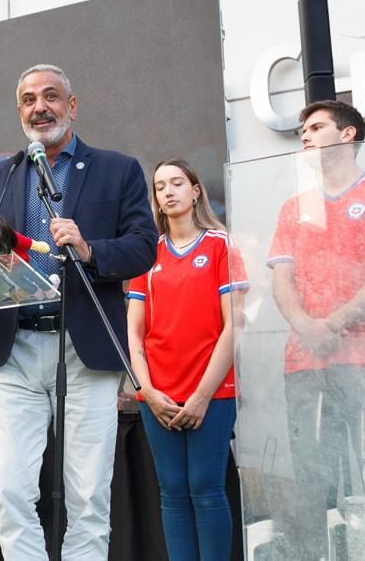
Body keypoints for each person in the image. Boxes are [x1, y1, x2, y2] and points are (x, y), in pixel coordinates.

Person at [0, 64, 157, 559]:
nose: (40, 108)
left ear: (71, 106)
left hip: (85, 349)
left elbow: (144, 248)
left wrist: (90, 249)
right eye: (29, 100)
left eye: (51, 97)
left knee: (88, 497)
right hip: (13, 351)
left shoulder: (117, 170)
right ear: (19, 111)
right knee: (7, 490)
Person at [267, 100, 365, 559]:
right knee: (314, 480)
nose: (306, 136)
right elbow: (280, 280)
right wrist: (307, 326)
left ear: (348, 134)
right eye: (302, 131)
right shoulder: (294, 206)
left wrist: (335, 322)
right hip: (305, 361)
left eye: (315, 127)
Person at [125, 159, 247, 560]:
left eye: (177, 183)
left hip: (211, 393)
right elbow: (135, 335)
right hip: (158, 396)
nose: (168, 192)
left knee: (207, 489)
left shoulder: (220, 246)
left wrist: (201, 396)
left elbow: (234, 327)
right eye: (160, 187)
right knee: (173, 491)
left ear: (196, 190)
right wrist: (148, 391)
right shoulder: (148, 254)